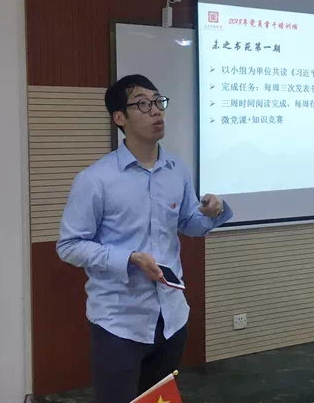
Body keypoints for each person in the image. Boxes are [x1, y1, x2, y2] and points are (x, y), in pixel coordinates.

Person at [56, 74, 233, 403]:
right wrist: (130, 258)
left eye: (158, 101)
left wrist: (213, 213)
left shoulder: (176, 169)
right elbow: (69, 246)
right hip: (119, 322)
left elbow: (188, 224)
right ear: (119, 118)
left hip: (172, 318)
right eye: (142, 104)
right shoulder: (95, 179)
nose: (156, 111)